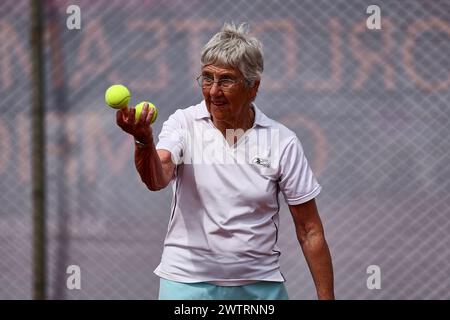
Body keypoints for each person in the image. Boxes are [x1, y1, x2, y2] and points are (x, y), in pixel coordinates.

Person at [116, 22, 334, 300]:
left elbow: (309, 229)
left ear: (253, 87)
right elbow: (157, 178)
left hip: (259, 286)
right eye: (207, 78)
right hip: (187, 283)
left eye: (226, 80)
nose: (213, 91)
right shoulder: (183, 123)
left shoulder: (282, 141)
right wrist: (144, 141)